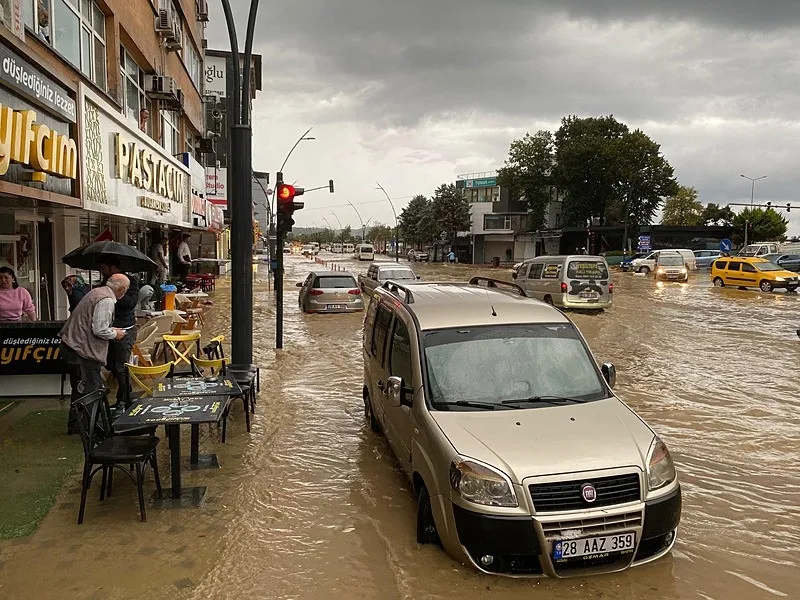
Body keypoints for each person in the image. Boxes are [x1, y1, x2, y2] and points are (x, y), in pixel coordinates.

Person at [60, 274, 129, 434]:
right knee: (92, 389)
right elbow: (99, 329)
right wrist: (115, 334)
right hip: (82, 350)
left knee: (81, 388)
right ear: (123, 289)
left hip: (73, 346)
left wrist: (111, 331)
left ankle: (77, 426)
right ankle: (92, 430)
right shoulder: (106, 300)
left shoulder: (96, 292)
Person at [98, 255, 140, 407]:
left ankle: (125, 399)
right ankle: (124, 395)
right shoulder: (105, 282)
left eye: (104, 269)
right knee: (110, 364)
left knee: (120, 366)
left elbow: (130, 303)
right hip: (109, 328)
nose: (102, 272)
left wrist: (115, 292)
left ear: (113, 267)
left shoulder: (130, 282)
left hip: (125, 328)